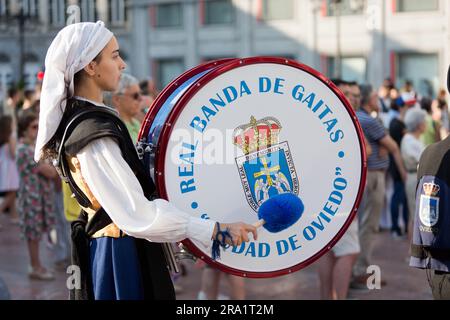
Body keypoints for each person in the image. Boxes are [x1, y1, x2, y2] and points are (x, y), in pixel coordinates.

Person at [35, 21, 257, 300]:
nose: (123, 65)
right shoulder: (92, 134)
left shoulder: (93, 121)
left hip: (123, 246)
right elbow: (135, 213)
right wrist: (213, 230)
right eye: (114, 56)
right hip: (119, 253)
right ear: (90, 66)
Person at [352, 84, 407, 288]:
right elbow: (391, 145)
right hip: (373, 176)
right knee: (369, 225)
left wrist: (383, 145)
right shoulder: (368, 119)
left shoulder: (364, 118)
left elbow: (386, 145)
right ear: (369, 99)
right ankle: (361, 269)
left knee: (367, 224)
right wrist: (384, 145)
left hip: (372, 175)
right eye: (375, 96)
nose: (378, 99)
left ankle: (360, 268)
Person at [316, 79, 362, 299]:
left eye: (354, 95)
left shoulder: (321, 118)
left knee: (328, 251)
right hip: (339, 196)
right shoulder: (342, 121)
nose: (352, 98)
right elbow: (365, 153)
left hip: (325, 195)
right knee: (349, 251)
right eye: (346, 93)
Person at [16, 111, 57, 280]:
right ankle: (35, 266)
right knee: (33, 233)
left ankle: (37, 265)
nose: (37, 130)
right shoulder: (26, 150)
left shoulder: (35, 148)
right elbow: (50, 172)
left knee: (38, 232)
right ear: (24, 129)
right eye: (34, 127)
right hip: (32, 197)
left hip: (40, 195)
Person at [401, 108, 427, 240]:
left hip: (415, 177)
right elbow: (423, 159)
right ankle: (412, 251)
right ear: (419, 124)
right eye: (424, 121)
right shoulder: (410, 140)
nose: (426, 124)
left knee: (416, 214)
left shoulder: (413, 139)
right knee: (415, 214)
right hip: (413, 177)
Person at [103, 73, 142, 142]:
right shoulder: (114, 128)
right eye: (135, 95)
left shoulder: (136, 122)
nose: (140, 98)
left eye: (140, 94)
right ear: (117, 100)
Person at [0, 115, 19, 224]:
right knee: (12, 193)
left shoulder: (3, 136)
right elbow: (13, 154)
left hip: (5, 166)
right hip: (10, 167)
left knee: (11, 192)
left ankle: (14, 215)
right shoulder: (11, 136)